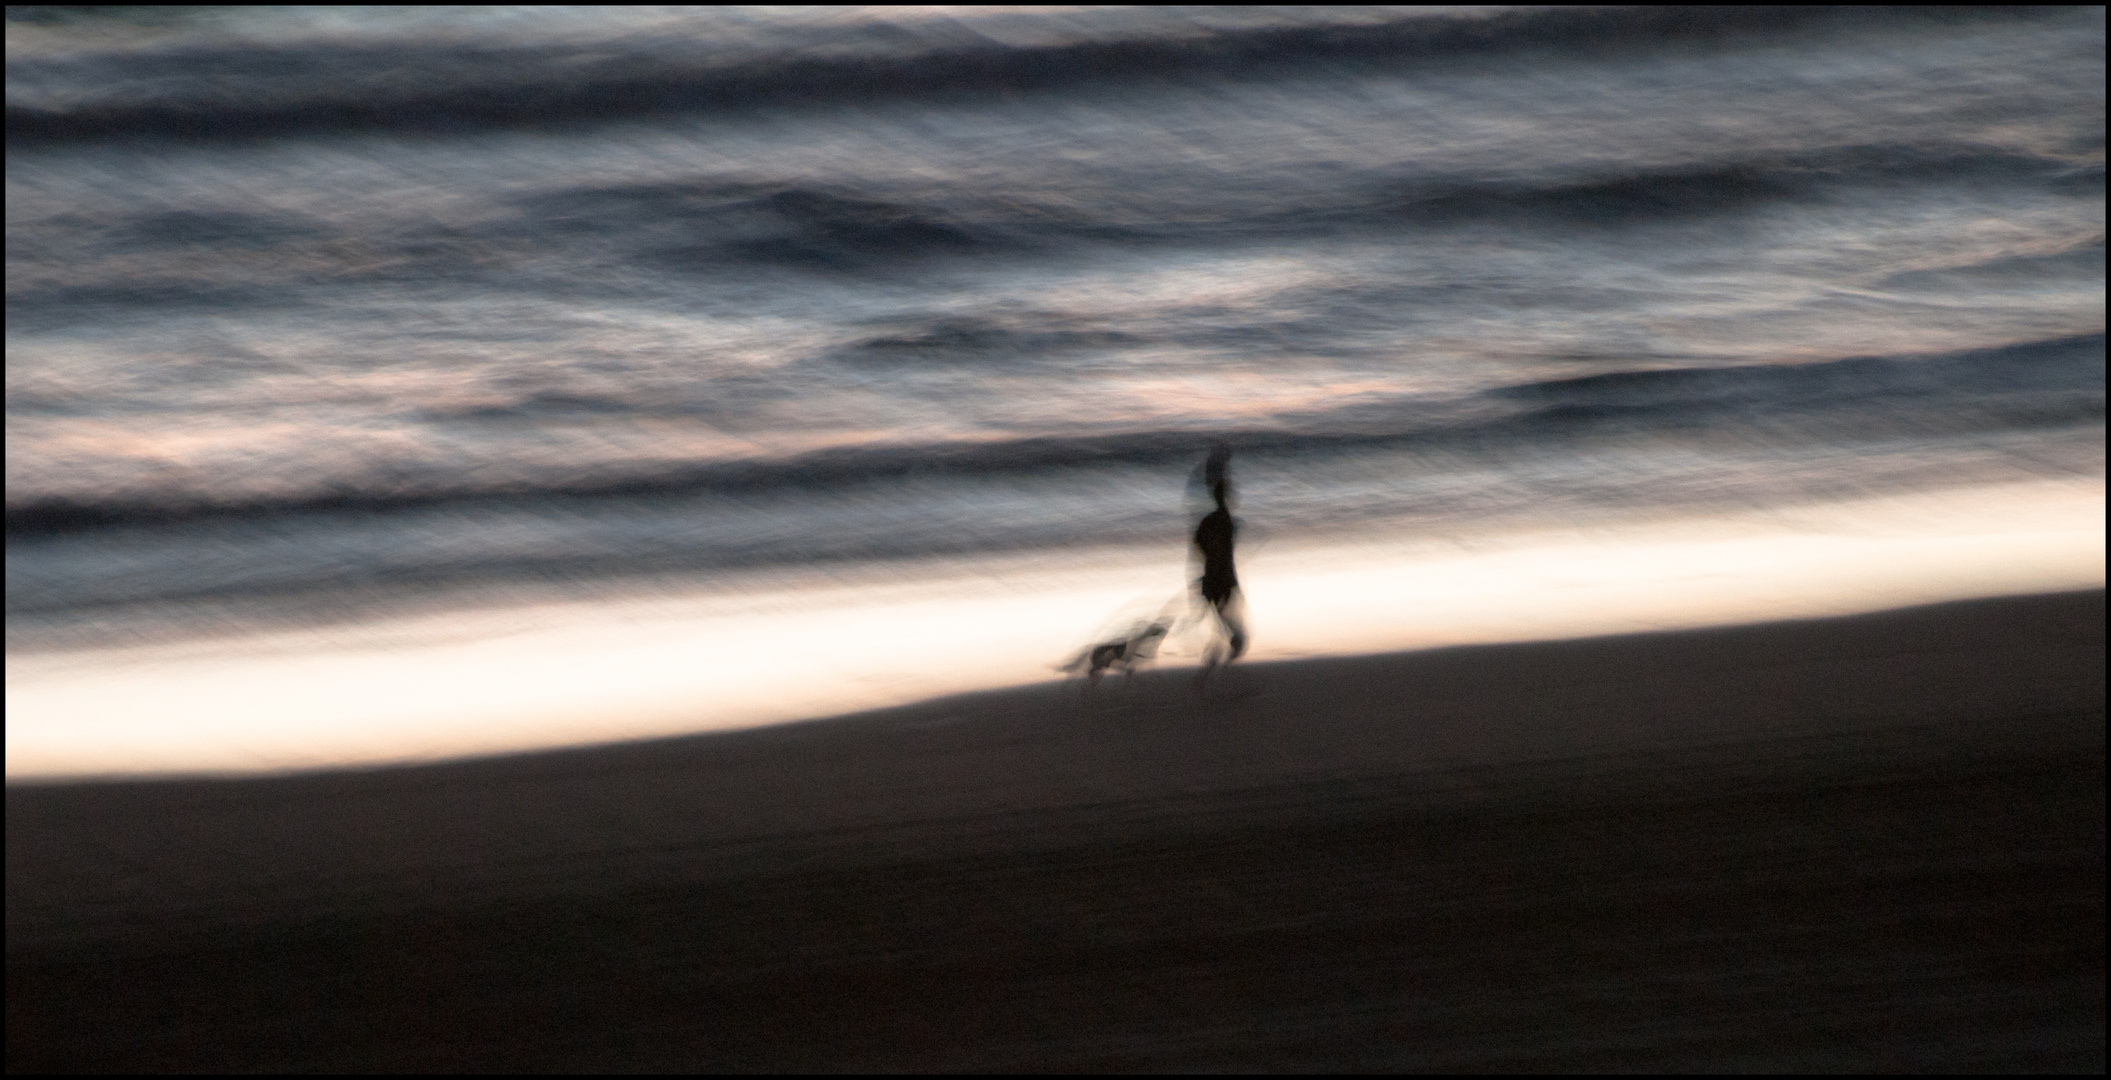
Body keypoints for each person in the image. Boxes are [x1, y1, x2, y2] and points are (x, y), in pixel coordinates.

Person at [1192, 446, 1247, 687]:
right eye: (1231, 493)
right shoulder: (1224, 521)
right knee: (1236, 638)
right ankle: (1212, 679)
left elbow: (1201, 547)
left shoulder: (1210, 522)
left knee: (1227, 635)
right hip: (1220, 584)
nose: (1235, 496)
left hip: (1213, 583)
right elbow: (1219, 554)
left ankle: (1209, 679)